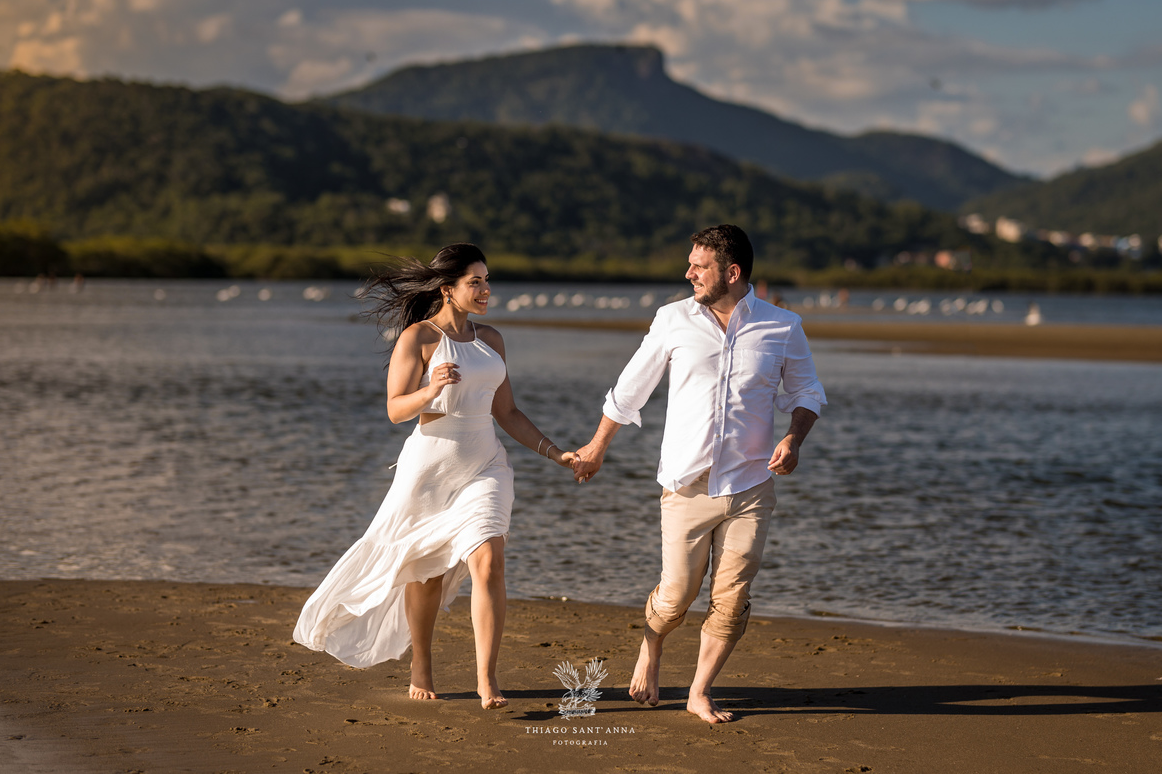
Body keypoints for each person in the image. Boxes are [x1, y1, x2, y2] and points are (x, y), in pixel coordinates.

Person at [293, 243, 577, 709]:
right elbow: (394, 410)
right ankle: (420, 663)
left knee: (489, 559)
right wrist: (432, 389)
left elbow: (506, 411)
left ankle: (487, 678)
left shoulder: (492, 340)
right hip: (429, 470)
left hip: (485, 465)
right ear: (448, 289)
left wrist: (556, 453)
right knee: (424, 572)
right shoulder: (419, 339)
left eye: (487, 281)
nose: (486, 290)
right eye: (475, 282)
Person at [572, 225, 827, 724]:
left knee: (731, 599)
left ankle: (699, 691)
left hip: (750, 485)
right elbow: (630, 389)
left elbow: (808, 393)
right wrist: (598, 446)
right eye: (690, 263)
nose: (688, 273)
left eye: (699, 266)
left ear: (731, 273)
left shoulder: (782, 325)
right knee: (675, 597)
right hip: (685, 485)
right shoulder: (673, 319)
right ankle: (652, 644)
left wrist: (793, 439)